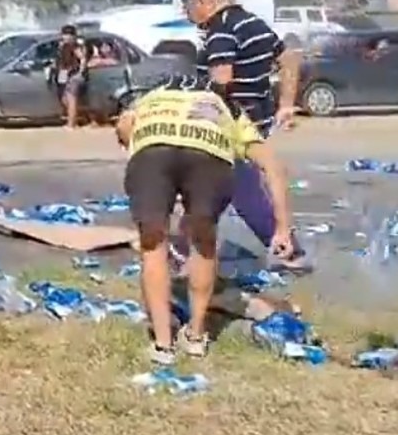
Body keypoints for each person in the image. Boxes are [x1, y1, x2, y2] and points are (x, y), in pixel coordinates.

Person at [115, 75, 294, 365]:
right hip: (208, 153)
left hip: (152, 149)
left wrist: (134, 148)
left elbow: (124, 126)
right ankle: (196, 337)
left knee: (153, 244)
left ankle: (163, 345)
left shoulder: (151, 97)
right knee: (203, 240)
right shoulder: (227, 108)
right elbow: (273, 167)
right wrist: (282, 228)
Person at [184, 0, 307, 271]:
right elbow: (289, 58)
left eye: (189, 10)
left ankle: (289, 252)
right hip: (257, 118)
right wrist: (285, 104)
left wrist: (196, 105)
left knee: (240, 188)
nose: (190, 19)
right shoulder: (254, 23)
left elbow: (222, 79)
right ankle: (185, 245)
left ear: (204, 3)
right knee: (218, 186)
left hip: (230, 123)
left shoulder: (221, 29)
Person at [50, 25, 89, 129]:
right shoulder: (63, 46)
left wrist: (80, 71)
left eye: (68, 35)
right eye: (64, 34)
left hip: (73, 75)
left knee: (71, 99)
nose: (66, 37)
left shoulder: (75, 46)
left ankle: (71, 124)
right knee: (65, 99)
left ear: (73, 36)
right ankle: (77, 118)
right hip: (66, 74)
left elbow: (82, 58)